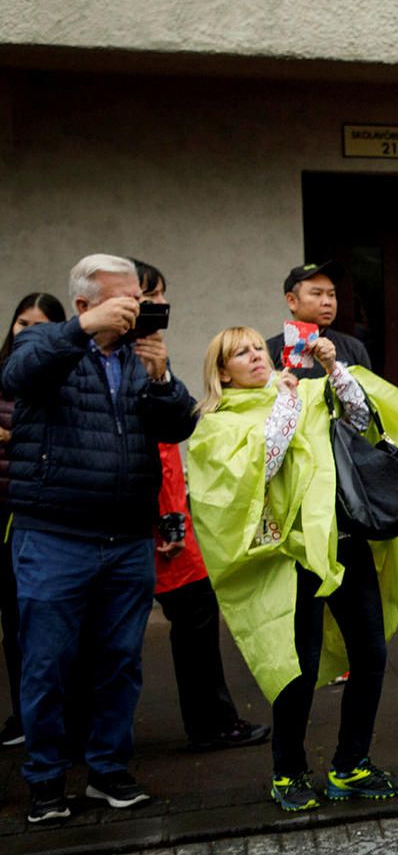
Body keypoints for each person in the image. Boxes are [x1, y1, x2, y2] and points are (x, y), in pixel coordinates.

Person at [189, 327, 398, 812]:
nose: (255, 356)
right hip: (290, 560)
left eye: (257, 348)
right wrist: (286, 403)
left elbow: (363, 420)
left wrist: (334, 370)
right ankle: (288, 771)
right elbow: (261, 466)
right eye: (240, 353)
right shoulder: (219, 423)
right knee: (299, 668)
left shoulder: (309, 390)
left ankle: (351, 764)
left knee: (371, 653)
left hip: (344, 545)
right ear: (222, 372)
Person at [5, 255, 196, 823]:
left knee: (118, 662)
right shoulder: (47, 349)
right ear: (86, 304)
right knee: (47, 664)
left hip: (126, 538)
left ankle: (108, 771)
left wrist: (162, 377)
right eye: (123, 299)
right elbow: (15, 374)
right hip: (55, 536)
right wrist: (79, 331)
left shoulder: (140, 358)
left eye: (138, 297)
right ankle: (45, 782)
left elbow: (179, 424)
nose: (135, 306)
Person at [132, 260, 268, 751]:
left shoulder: (152, 361)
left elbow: (176, 430)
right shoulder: (99, 361)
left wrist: (162, 372)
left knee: (196, 615)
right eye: (147, 296)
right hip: (134, 520)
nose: (157, 307)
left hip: (167, 512)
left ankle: (212, 721)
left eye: (161, 296)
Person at [0, 292, 66, 750]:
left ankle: (48, 719)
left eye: (39, 325)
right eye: (21, 323)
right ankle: (23, 716)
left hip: (37, 516)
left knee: (37, 624)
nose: (27, 332)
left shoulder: (59, 375)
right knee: (12, 621)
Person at [264, 260, 372, 378]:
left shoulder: (353, 348)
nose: (327, 302)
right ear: (292, 301)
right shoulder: (268, 351)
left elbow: (366, 395)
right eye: (317, 293)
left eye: (331, 295)